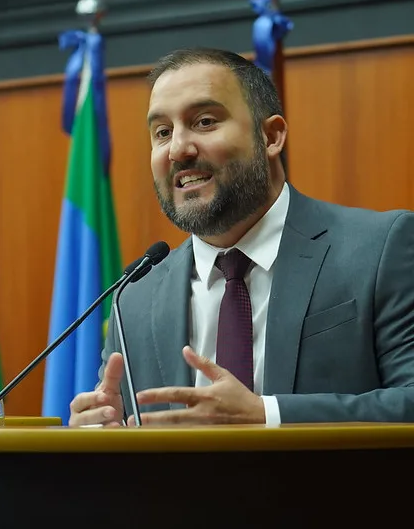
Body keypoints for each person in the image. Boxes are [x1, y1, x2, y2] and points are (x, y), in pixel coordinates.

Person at [69, 47, 414, 427]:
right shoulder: (133, 299)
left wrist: (265, 415)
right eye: (163, 132)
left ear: (271, 136)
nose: (179, 149)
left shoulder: (380, 250)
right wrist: (102, 436)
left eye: (204, 121)